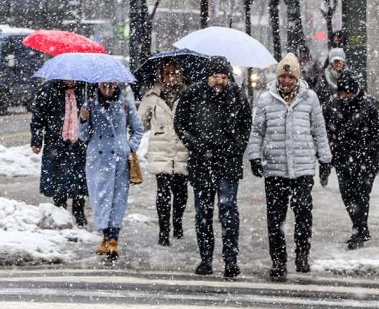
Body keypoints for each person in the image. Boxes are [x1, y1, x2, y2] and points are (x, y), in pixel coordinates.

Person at [246, 53, 331, 279]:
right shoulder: (266, 99)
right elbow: (257, 132)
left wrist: (325, 160)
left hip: (302, 169)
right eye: (283, 77)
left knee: (303, 212)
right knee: (275, 217)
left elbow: (319, 131)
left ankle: (302, 253)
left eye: (290, 77)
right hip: (275, 168)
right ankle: (278, 259)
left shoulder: (309, 98)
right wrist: (254, 156)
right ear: (278, 78)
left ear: (297, 78)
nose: (286, 81)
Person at [174, 56, 252, 279]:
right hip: (201, 162)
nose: (219, 81)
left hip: (227, 163)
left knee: (228, 211)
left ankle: (230, 260)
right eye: (216, 76)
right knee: (203, 213)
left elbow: (246, 125)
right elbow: (180, 124)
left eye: (224, 76)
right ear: (208, 76)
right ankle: (206, 259)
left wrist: (235, 148)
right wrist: (196, 145)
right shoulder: (192, 94)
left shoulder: (237, 95)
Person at [79, 81, 144, 260]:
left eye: (111, 84)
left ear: (117, 84)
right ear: (97, 84)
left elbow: (138, 129)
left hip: (119, 159)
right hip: (98, 159)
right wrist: (84, 120)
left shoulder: (125, 104)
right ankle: (105, 237)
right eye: (103, 84)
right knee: (100, 198)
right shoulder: (89, 104)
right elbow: (83, 136)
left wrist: (129, 146)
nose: (107, 87)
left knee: (117, 198)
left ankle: (113, 238)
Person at [328, 71, 379, 250]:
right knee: (347, 193)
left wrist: (368, 152)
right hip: (343, 158)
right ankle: (360, 227)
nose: (345, 96)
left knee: (361, 193)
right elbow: (327, 129)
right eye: (342, 92)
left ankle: (360, 230)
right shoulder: (333, 106)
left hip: (365, 160)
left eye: (348, 92)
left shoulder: (370, 106)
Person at [138, 61, 189, 246]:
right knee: (163, 192)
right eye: (166, 73)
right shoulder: (152, 96)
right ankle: (164, 230)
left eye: (174, 73)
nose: (170, 77)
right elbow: (139, 120)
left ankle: (178, 222)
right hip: (160, 150)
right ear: (160, 75)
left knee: (181, 192)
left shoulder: (186, 94)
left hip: (182, 149)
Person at [30, 80, 89, 226]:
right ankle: (60, 208)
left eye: (74, 78)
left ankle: (78, 209)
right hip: (56, 140)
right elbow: (38, 116)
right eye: (68, 78)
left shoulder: (86, 89)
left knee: (80, 176)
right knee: (58, 177)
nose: (71, 81)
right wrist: (37, 140)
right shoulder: (48, 89)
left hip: (80, 141)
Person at [313, 47, 346, 186]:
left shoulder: (348, 77)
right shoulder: (323, 78)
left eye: (340, 61)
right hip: (327, 120)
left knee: (341, 150)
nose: (338, 64)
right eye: (335, 61)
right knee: (326, 150)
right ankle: (324, 171)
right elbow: (317, 98)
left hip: (344, 120)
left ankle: (342, 177)